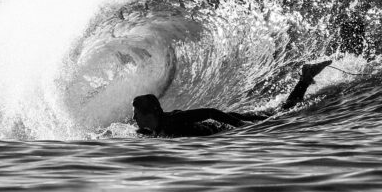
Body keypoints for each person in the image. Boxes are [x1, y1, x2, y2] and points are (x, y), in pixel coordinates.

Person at [133, 60, 332, 137]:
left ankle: (305, 78)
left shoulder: (173, 121)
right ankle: (305, 79)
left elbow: (209, 112)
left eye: (136, 114)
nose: (134, 119)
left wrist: (239, 124)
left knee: (282, 115)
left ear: (149, 113)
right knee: (280, 111)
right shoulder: (158, 128)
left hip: (230, 121)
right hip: (230, 121)